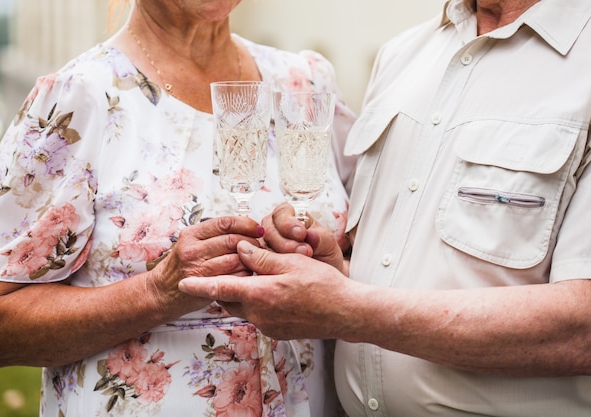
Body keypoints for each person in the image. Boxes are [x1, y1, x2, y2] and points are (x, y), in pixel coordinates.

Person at [177, 0, 591, 416]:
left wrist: (345, 310)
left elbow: (583, 329)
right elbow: (407, 274)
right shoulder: (403, 54)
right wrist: (332, 273)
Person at [0, 1, 357, 416]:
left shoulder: (305, 83)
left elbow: (370, 259)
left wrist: (331, 266)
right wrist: (157, 292)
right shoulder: (82, 96)